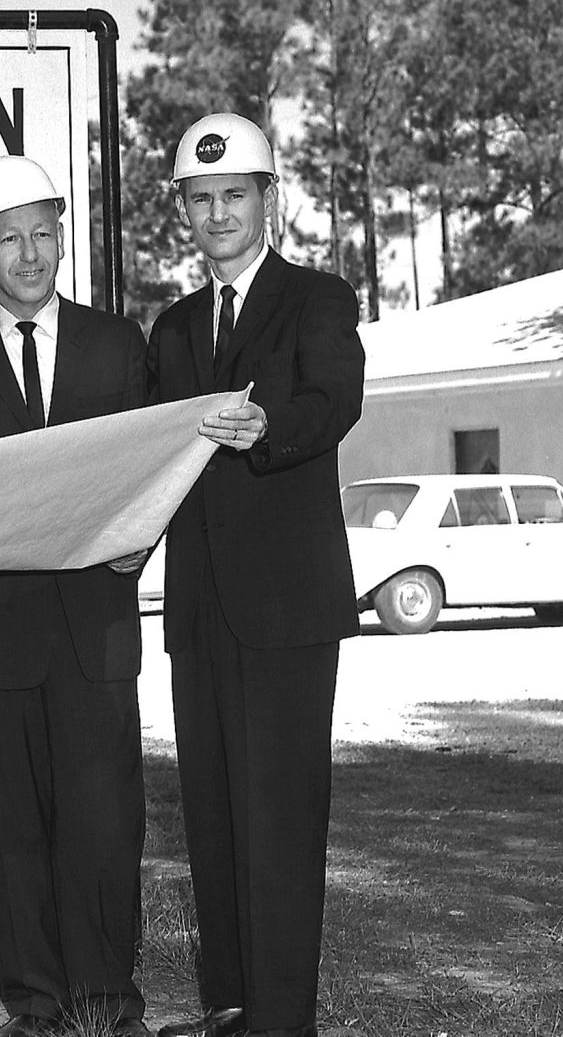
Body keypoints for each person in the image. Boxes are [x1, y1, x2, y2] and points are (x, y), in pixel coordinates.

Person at [0, 156, 152, 1037]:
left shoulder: (118, 346)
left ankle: (108, 1001)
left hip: (94, 628)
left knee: (106, 818)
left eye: (45, 230)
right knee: (18, 826)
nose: (32, 251)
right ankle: (39, 1004)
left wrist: (138, 542)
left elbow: (149, 472)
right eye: (10, 237)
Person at [146, 113, 365, 1037]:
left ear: (268, 200)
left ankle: (283, 1020)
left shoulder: (318, 299)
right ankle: (231, 1005)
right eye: (200, 201)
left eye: (233, 194)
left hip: (287, 608)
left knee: (278, 818)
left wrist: (270, 426)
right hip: (200, 610)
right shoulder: (171, 326)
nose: (216, 214)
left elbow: (334, 399)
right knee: (214, 815)